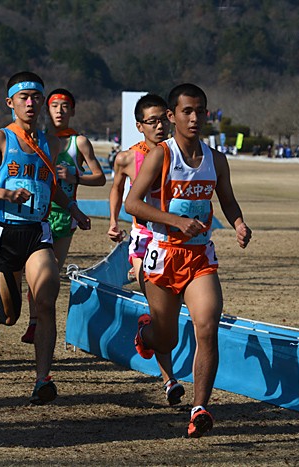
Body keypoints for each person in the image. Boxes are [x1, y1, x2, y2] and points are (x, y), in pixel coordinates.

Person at [125, 83, 252, 437]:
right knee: (165, 340)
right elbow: (132, 204)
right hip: (163, 255)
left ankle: (199, 409)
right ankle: (147, 334)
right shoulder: (161, 155)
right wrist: (175, 221)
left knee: (207, 327)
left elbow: (227, 200)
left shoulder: (216, 159)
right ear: (172, 116)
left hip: (199, 257)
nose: (195, 118)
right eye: (187, 112)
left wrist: (239, 223)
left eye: (200, 111)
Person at [0, 71, 91, 404]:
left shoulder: (48, 143)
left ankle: (42, 379)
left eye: (37, 96)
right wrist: (5, 194)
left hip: (38, 233)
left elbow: (50, 186)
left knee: (47, 300)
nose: (32, 103)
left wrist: (74, 209)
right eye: (24, 97)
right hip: (6, 235)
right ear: (10, 103)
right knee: (10, 314)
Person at [107, 93, 186, 406]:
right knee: (159, 310)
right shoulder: (128, 158)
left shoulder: (178, 154)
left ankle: (145, 334)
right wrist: (113, 221)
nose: (159, 126)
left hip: (176, 242)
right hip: (144, 240)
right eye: (151, 121)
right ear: (139, 126)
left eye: (162, 119)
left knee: (168, 316)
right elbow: (116, 190)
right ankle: (170, 381)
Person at [20, 88, 106, 343]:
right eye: (54, 106)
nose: (59, 111)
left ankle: (40, 320)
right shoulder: (39, 140)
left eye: (64, 106)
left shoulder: (79, 142)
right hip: (39, 212)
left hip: (65, 215)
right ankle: (34, 322)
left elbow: (100, 177)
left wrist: (74, 177)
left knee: (51, 272)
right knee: (36, 271)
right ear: (47, 109)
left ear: (72, 111)